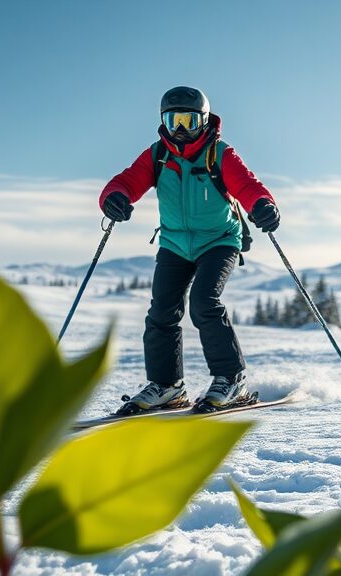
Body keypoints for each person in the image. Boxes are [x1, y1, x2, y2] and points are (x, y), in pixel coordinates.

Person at [98, 86, 281, 414]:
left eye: (189, 120)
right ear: (163, 122)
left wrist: (263, 205)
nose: (180, 129)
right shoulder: (157, 155)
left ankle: (231, 378)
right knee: (161, 311)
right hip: (175, 244)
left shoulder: (220, 153)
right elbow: (126, 181)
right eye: (173, 120)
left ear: (204, 120)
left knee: (204, 303)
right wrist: (114, 198)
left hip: (220, 241)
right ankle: (168, 386)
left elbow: (248, 186)